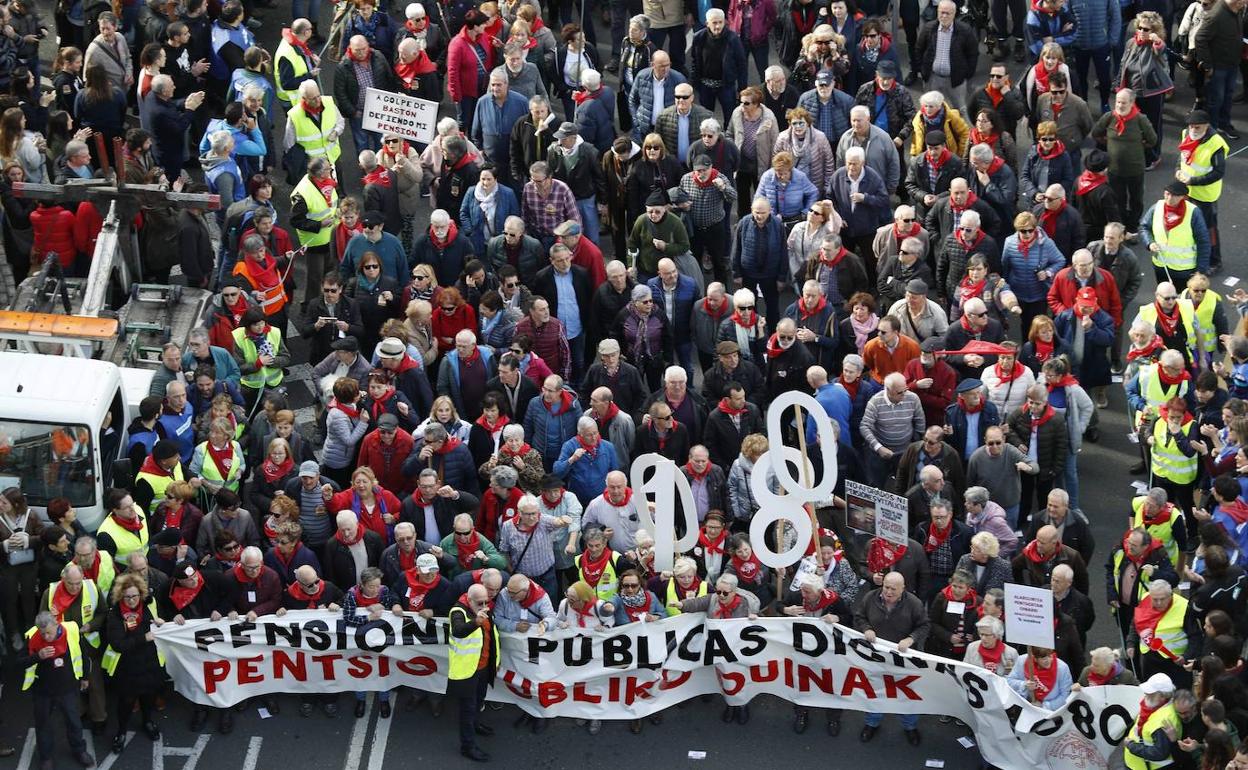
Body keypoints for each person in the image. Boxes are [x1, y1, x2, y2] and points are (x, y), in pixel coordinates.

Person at [854, 571, 929, 744]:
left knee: (907, 694)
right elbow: (859, 617)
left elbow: (924, 625)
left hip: (903, 661)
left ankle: (910, 726)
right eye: (886, 587)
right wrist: (866, 628)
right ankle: (872, 722)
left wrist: (911, 639)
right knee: (874, 692)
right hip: (876, 657)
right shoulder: (869, 598)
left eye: (894, 589)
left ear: (903, 589)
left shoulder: (914, 603)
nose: (888, 592)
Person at [19, 611, 94, 769]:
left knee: (74, 722)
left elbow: (83, 654)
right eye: (42, 633)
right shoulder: (32, 637)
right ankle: (46, 757)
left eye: (49, 633)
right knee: (43, 725)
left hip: (67, 688)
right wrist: (38, 656)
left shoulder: (71, 632)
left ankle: (79, 750)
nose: (46, 637)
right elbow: (19, 663)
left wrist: (85, 677)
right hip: (43, 691)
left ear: (56, 624)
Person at [102, 573, 164, 753]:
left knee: (148, 697)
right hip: (127, 666)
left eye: (135, 596)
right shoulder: (115, 615)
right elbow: (118, 644)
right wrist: (143, 638)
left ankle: (148, 721)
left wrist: (159, 623)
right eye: (127, 596)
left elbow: (153, 626)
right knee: (126, 702)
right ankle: (121, 732)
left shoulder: (145, 607)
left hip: (148, 663)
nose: (131, 600)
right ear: (121, 596)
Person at [448, 582, 498, 761]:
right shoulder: (458, 612)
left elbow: (491, 636)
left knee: (479, 701)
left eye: (486, 602)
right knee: (467, 710)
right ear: (468, 600)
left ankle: (476, 725)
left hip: (483, 668)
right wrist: (476, 622)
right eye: (479, 603)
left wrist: (495, 660)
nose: (484, 607)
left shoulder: (483, 608)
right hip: (467, 672)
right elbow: (459, 631)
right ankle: (467, 746)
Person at [1139, 182, 1211, 290]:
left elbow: (1203, 242)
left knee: (1183, 301)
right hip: (1161, 266)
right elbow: (1144, 227)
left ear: (1183, 197)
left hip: (1184, 270)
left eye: (1174, 195)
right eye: (1167, 194)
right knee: (1165, 297)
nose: (1169, 198)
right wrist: (1150, 243)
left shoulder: (1193, 212)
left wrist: (1200, 271)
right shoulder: (1156, 208)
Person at [1008, 646, 1073, 709]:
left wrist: (1044, 706)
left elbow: (1066, 695)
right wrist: (1024, 684)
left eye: (1050, 656)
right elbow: (1009, 681)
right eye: (1043, 658)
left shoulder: (1062, 668)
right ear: (1035, 659)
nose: (1048, 660)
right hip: (1025, 707)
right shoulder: (1022, 661)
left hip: (1052, 712)